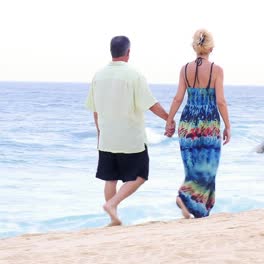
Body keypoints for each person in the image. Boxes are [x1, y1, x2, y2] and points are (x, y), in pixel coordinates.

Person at [85, 36, 175, 226]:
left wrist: (99, 133)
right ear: (128, 52)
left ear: (112, 51)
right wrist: (169, 119)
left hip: (107, 137)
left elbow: (95, 109)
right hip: (130, 138)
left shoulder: (98, 75)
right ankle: (112, 204)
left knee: (111, 177)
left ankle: (113, 218)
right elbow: (151, 104)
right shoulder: (134, 75)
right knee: (141, 174)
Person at [166, 29, 231, 219]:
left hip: (188, 122)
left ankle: (195, 209)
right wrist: (228, 125)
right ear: (211, 47)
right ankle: (186, 197)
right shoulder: (217, 70)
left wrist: (170, 120)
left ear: (195, 47)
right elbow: (220, 101)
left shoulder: (185, 69)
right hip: (208, 122)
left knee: (192, 166)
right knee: (209, 166)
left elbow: (178, 98)